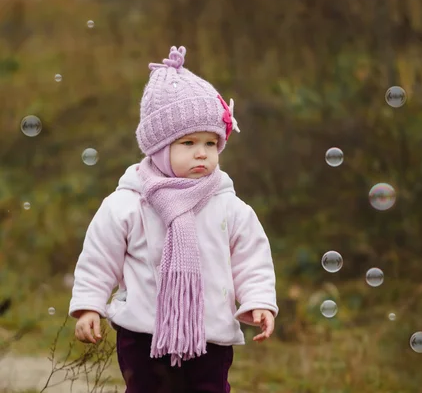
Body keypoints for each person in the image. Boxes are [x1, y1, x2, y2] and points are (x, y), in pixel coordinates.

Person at [68, 45, 278, 393]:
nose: (202, 152)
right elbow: (98, 258)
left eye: (211, 143)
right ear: (159, 148)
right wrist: (89, 307)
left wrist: (258, 302)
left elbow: (251, 258)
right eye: (188, 142)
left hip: (210, 335)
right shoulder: (128, 203)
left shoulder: (229, 206)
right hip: (143, 334)